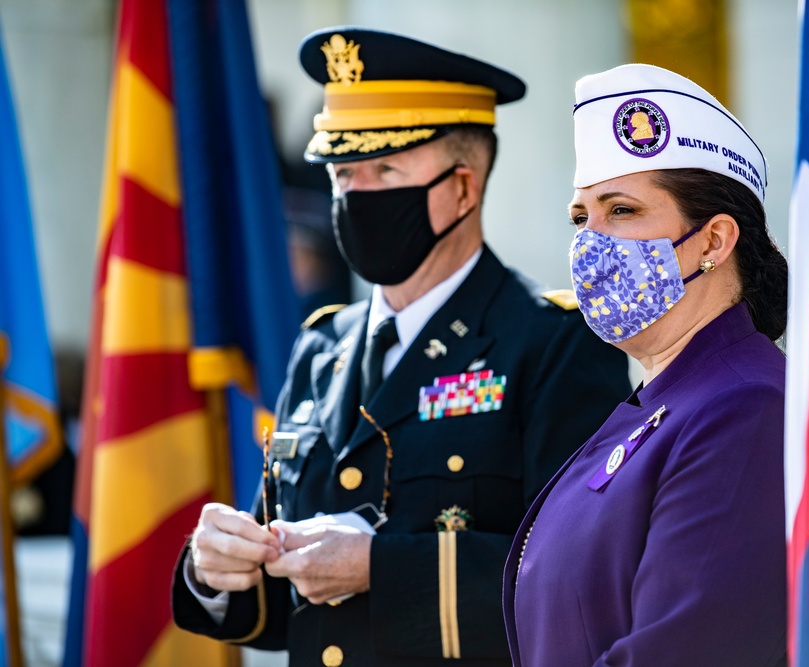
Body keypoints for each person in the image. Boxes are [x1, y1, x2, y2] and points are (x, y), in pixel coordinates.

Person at [170, 27, 631, 666]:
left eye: (385, 169)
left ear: (464, 188)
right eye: (342, 173)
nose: (356, 196)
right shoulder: (322, 345)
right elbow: (283, 605)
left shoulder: (554, 343)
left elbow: (585, 571)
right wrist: (219, 569)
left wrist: (381, 568)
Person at [502, 64, 788, 666]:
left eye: (622, 210)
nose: (590, 242)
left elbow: (687, 647)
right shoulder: (662, 404)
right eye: (582, 217)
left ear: (713, 241)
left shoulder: (745, 407)